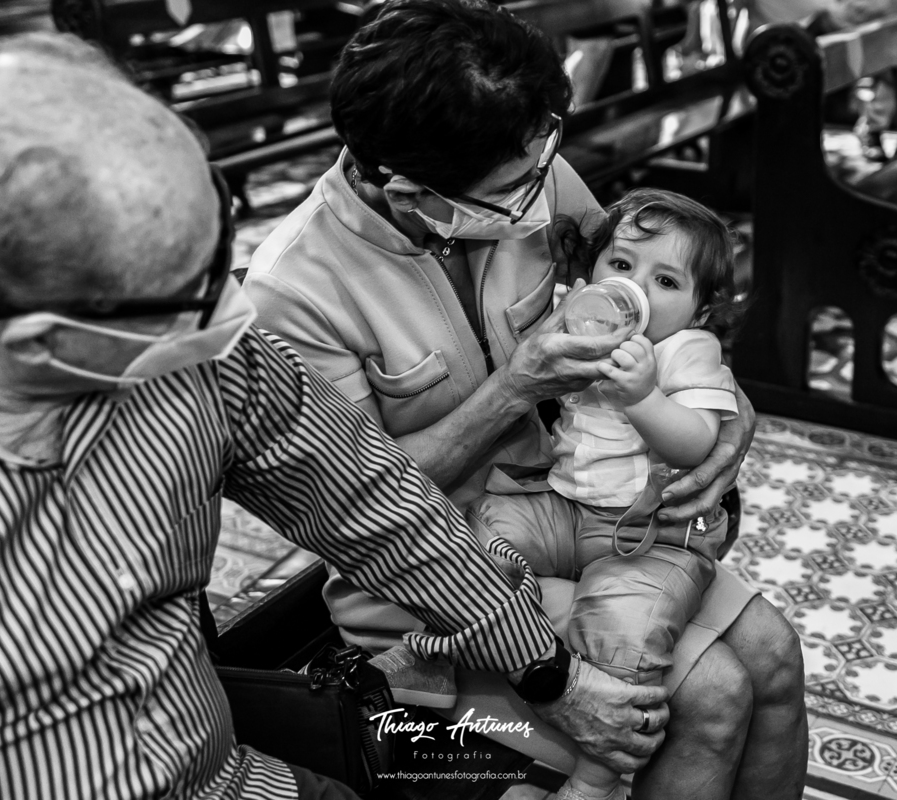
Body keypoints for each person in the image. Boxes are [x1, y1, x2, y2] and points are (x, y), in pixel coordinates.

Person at [0, 32, 670, 800]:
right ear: (45, 342)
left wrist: (546, 674)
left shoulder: (195, 347)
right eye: (191, 303)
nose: (231, 321)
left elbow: (370, 501)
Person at [244, 2, 807, 798]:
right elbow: (359, 503)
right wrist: (516, 388)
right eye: (515, 189)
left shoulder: (522, 164)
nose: (540, 198)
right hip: (441, 577)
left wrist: (728, 423)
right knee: (712, 697)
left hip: (579, 513)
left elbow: (658, 303)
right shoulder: (294, 291)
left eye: (544, 164)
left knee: (776, 656)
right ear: (410, 194)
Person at [466, 189, 743, 800]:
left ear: (698, 310)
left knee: (623, 631)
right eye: (621, 266)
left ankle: (597, 779)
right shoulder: (582, 323)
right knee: (481, 534)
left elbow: (697, 445)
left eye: (666, 280)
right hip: (564, 508)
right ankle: (450, 639)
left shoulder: (686, 350)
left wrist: (643, 398)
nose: (635, 289)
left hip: (650, 536)